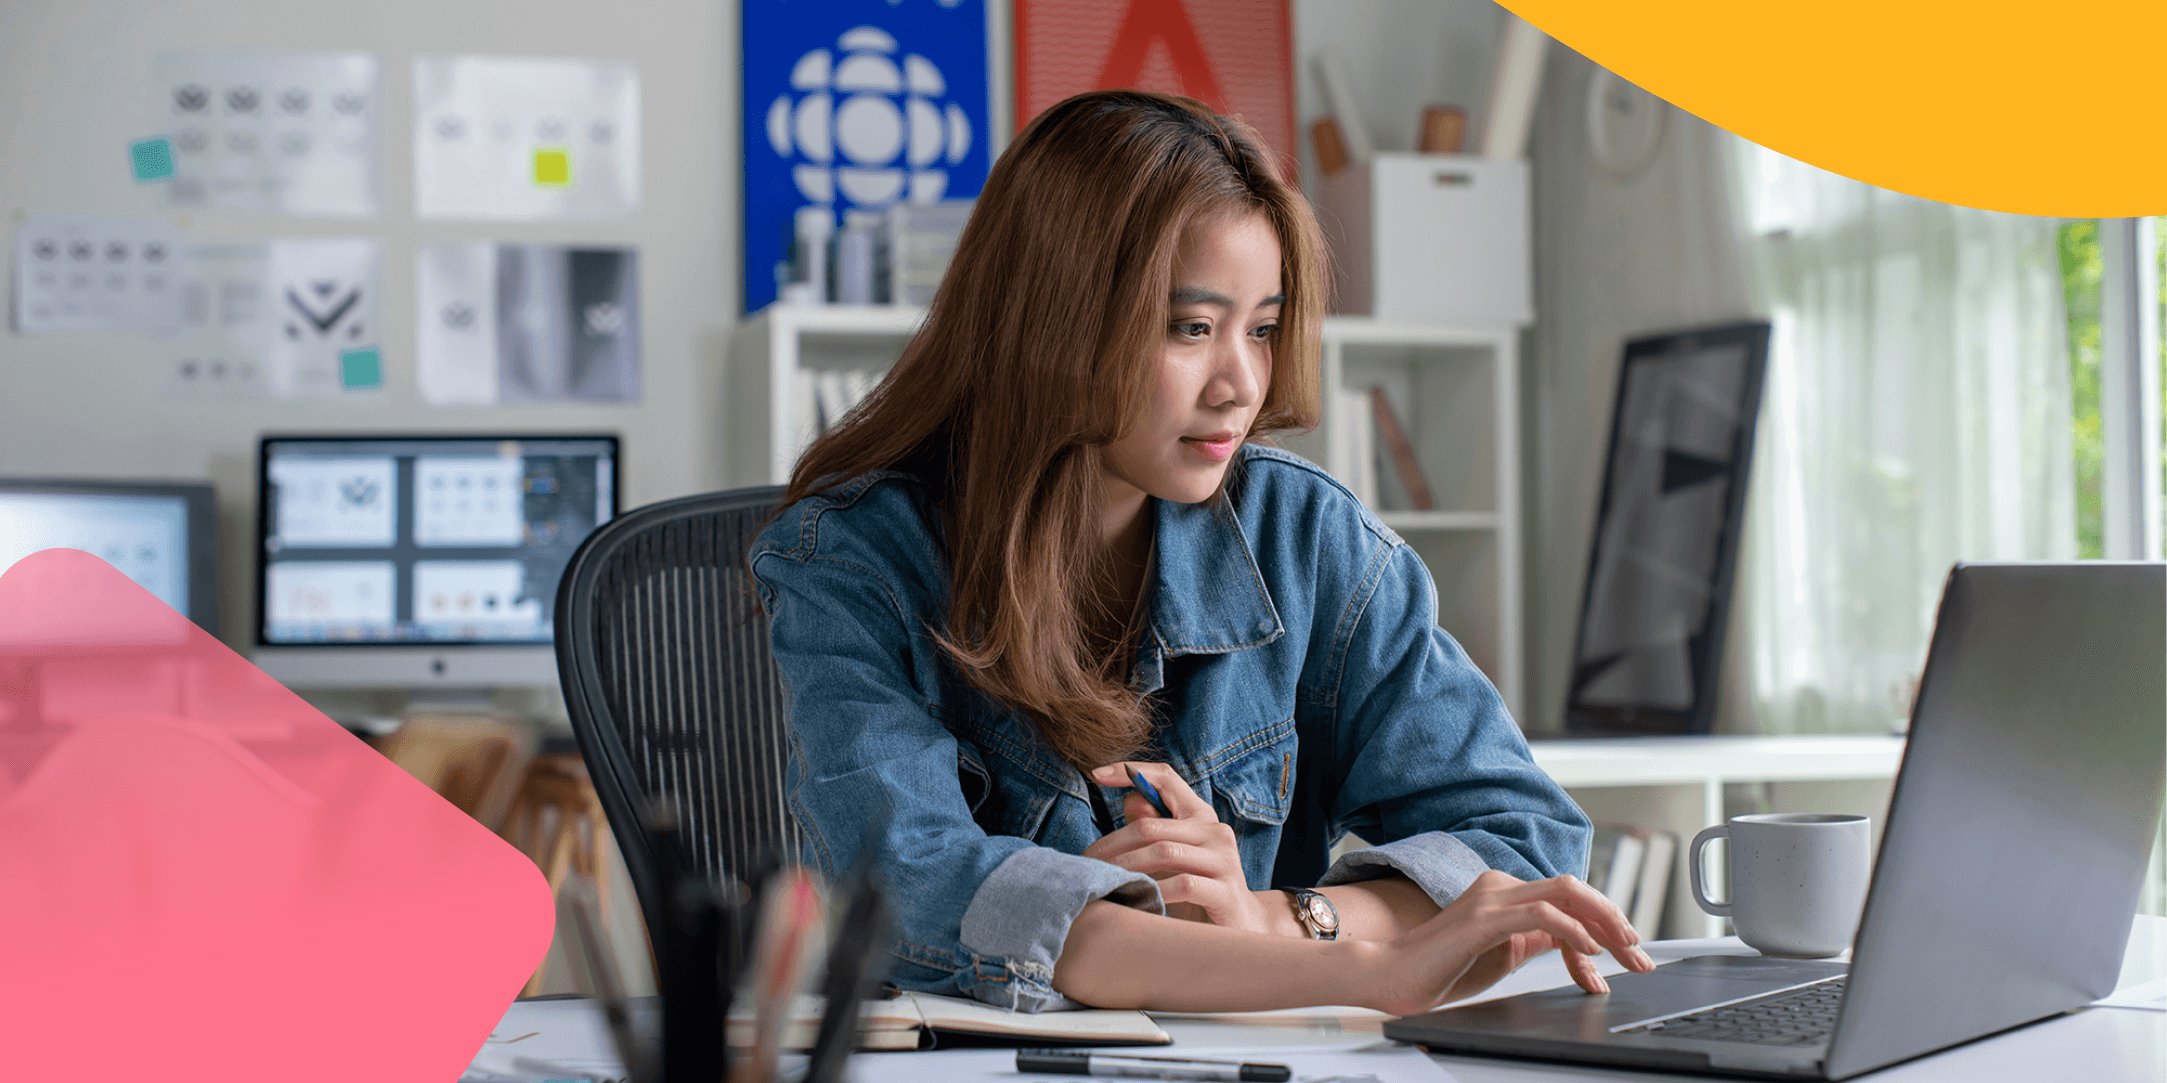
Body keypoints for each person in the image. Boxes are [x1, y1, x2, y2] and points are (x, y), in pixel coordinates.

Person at [747, 89, 1651, 1015]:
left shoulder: (1304, 537)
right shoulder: (849, 558)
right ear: (1054, 318)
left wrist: (1277, 920)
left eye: (1260, 328)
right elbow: (919, 888)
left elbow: (1522, 838)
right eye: (1191, 327)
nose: (1242, 385)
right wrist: (1358, 969)